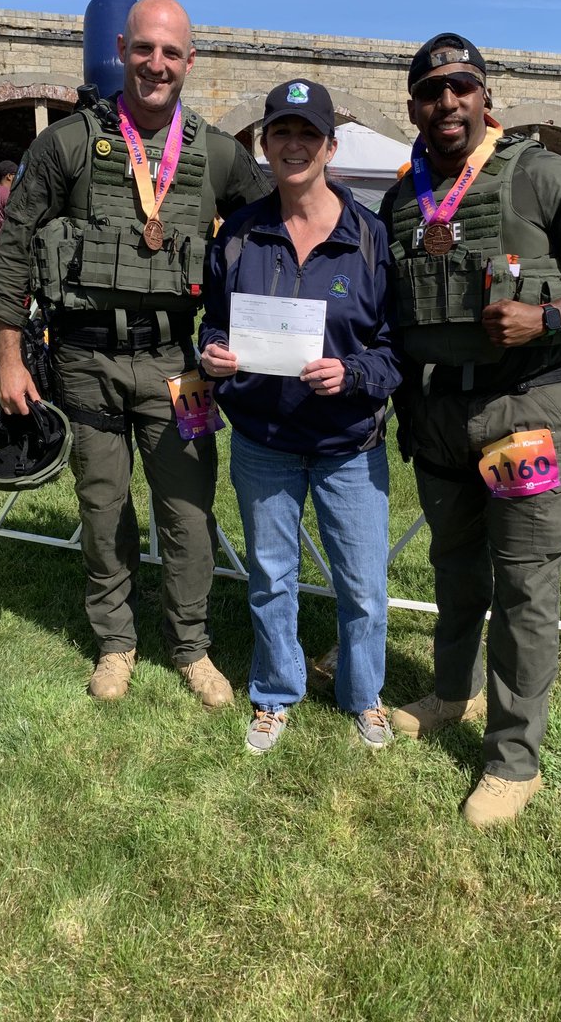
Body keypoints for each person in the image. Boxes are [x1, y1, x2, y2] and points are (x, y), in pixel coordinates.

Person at [380, 33, 561, 827]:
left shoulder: (539, 173)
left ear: (484, 96)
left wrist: (550, 315)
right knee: (456, 570)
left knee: (525, 586)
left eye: (461, 87)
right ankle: (451, 695)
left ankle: (514, 759)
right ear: (415, 108)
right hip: (438, 415)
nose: (448, 103)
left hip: (522, 411)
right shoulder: (403, 199)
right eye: (432, 92)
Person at [0, 0, 269, 704]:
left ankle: (191, 645)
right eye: (144, 49)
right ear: (122, 50)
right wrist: (10, 357)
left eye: (171, 53)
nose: (156, 64)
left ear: (190, 62)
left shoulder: (219, 153)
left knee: (187, 513)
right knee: (104, 508)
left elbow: (273, 225)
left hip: (179, 365)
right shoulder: (70, 143)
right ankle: (116, 641)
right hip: (86, 362)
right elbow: (16, 245)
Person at [198, 80, 401, 753]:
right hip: (265, 441)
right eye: (280, 133)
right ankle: (276, 692)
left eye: (306, 134)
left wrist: (354, 374)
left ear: (329, 147)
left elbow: (395, 349)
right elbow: (214, 324)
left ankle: (362, 693)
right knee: (271, 578)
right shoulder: (240, 235)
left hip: (349, 444)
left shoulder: (370, 237)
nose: (292, 145)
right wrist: (214, 355)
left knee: (365, 587)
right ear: (263, 144)